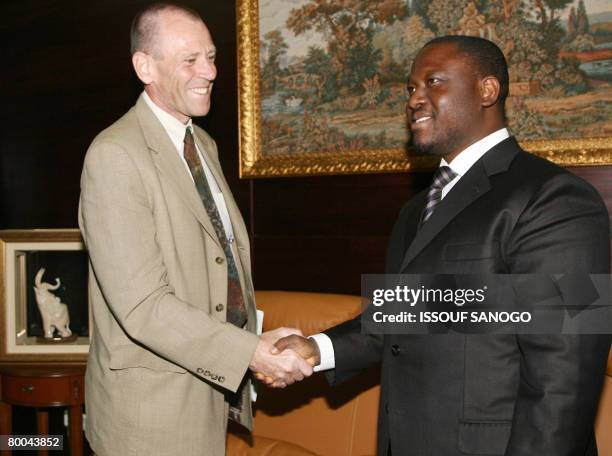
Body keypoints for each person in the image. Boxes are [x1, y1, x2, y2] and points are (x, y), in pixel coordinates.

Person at [273, 36, 611, 455]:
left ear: (487, 90)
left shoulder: (557, 199)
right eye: (411, 89)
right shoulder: (416, 210)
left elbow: (566, 375)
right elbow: (404, 315)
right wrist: (314, 349)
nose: (415, 99)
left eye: (433, 82)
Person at [78, 3, 311, 455]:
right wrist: (246, 353)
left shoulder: (201, 143)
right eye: (190, 60)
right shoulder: (114, 155)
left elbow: (216, 268)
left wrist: (254, 341)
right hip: (149, 420)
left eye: (211, 56)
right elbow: (142, 305)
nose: (209, 71)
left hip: (205, 396)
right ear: (144, 66)